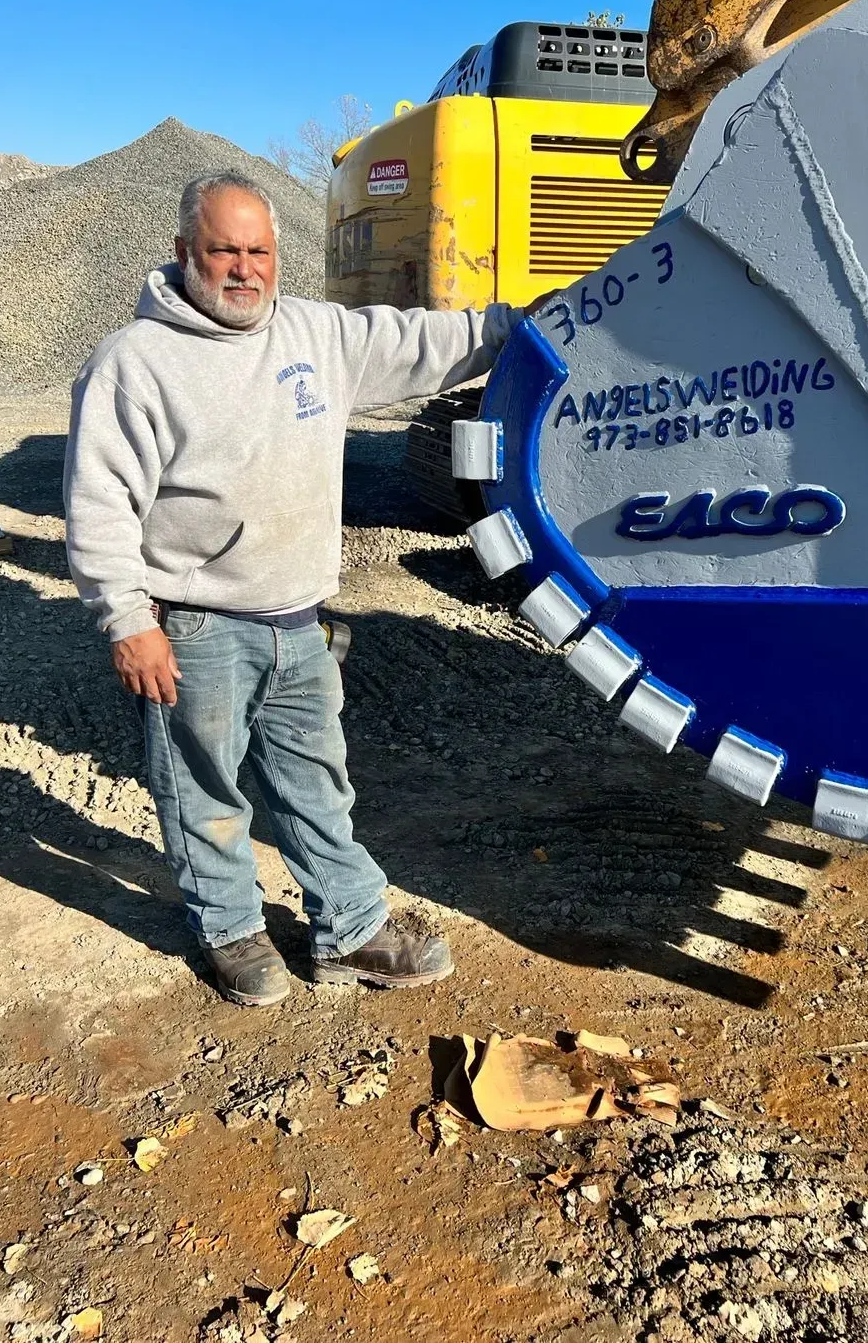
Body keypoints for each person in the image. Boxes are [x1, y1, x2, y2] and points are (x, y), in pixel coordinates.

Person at [63, 168, 524, 1007]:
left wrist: (531, 323)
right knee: (202, 789)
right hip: (195, 627)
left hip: (300, 619)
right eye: (224, 250)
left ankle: (348, 930)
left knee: (317, 783)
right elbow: (99, 501)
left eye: (259, 251)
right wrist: (128, 620)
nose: (244, 269)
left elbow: (430, 340)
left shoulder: (315, 335)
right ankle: (229, 930)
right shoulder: (135, 362)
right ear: (182, 254)